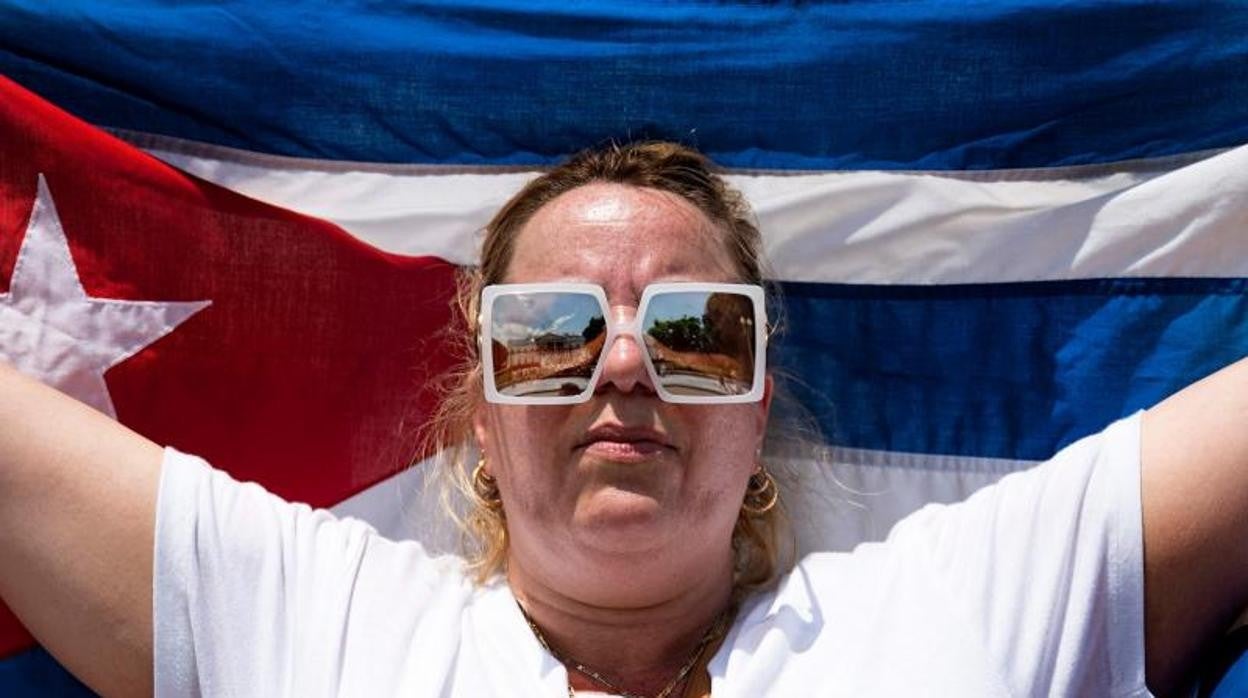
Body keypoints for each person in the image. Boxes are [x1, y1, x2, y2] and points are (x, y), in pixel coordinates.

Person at [0, 140, 1245, 697]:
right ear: (481, 409)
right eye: (551, 330)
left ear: (757, 402)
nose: (627, 364)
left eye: (699, 328)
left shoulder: (953, 605)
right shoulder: (311, 619)